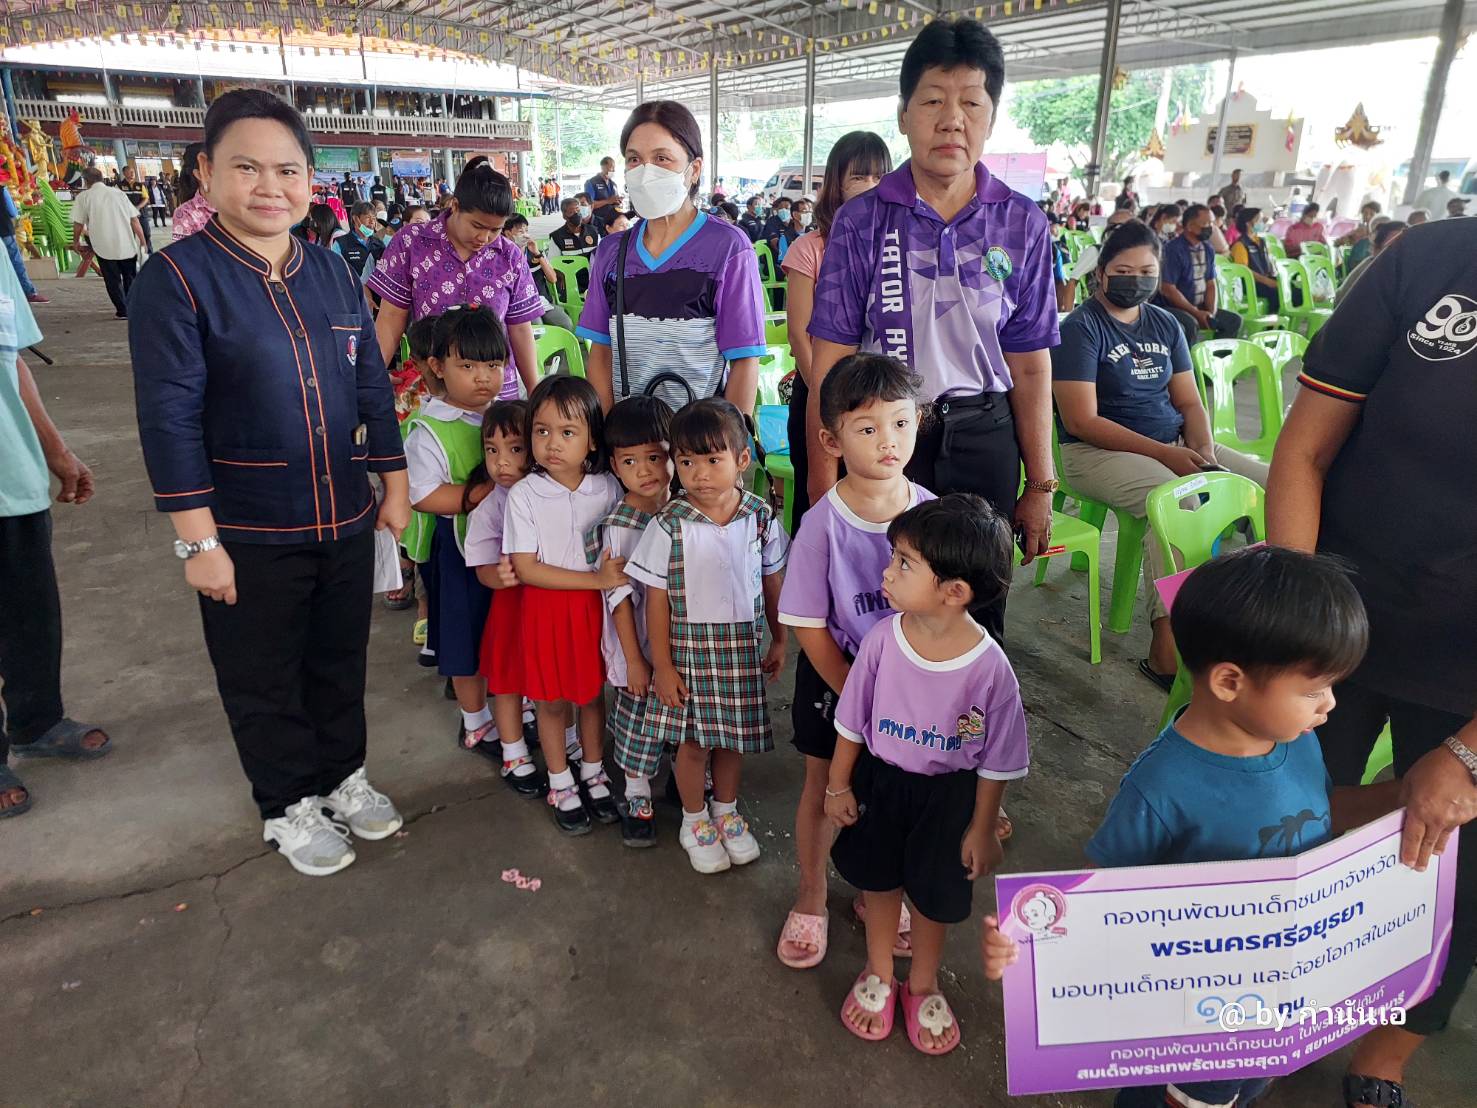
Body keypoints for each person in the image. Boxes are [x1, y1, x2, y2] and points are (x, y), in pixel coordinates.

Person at [983, 546, 1403, 1107]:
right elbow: (1097, 898)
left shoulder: (1297, 741)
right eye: (1313, 689)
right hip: (1196, 1014)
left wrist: (1400, 798)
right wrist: (1025, 946)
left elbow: (1320, 813)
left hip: (1277, 993)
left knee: (1246, 1087)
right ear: (1229, 681)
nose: (1329, 705)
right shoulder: (1162, 789)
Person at [130, 89, 410, 877]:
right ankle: (286, 801)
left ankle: (341, 775)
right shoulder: (177, 280)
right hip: (247, 528)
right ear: (204, 173)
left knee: (338, 656)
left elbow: (370, 388)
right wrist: (199, 541)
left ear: (310, 181)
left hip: (344, 511)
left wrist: (390, 478)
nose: (269, 187)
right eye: (245, 167)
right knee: (262, 671)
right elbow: (169, 419)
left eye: (288, 170)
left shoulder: (329, 270)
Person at [1266, 217, 1477, 1108]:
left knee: (1450, 861)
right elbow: (1303, 452)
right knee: (1275, 820)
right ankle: (1249, 1009)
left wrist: (1467, 752)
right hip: (1338, 608)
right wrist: (1296, 634)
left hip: (1469, 666)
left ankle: (1380, 1060)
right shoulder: (1429, 262)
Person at [807, 18, 1060, 642]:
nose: (953, 120)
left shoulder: (1021, 223)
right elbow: (833, 356)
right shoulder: (864, 221)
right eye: (933, 101)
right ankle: (884, 732)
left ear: (991, 116)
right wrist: (824, 482)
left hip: (986, 439)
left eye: (972, 103)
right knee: (883, 600)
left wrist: (1042, 482)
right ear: (903, 114)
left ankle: (969, 736)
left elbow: (1030, 364)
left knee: (977, 609)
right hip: (888, 440)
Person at [828, 493, 1024, 1054]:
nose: (886, 573)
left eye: (903, 564)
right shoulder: (880, 642)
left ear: (954, 592)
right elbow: (852, 722)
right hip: (882, 783)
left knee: (935, 899)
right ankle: (878, 971)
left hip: (950, 799)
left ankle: (922, 983)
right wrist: (839, 784)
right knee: (880, 881)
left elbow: (997, 760)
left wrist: (982, 827)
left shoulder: (990, 669)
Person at [1055, 219, 1268, 686]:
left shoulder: (1166, 323)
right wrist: (1167, 456)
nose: (1137, 280)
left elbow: (1189, 401)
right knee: (1179, 502)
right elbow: (1081, 421)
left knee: (1267, 482)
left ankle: (1259, 621)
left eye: (1147, 270)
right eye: (1124, 269)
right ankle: (1167, 649)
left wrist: (1203, 448)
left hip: (1170, 445)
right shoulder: (1082, 328)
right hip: (1093, 454)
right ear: (1101, 274)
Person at [774, 353, 935, 970]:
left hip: (911, 683)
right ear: (830, 438)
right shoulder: (822, 525)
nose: (887, 441)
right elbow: (810, 626)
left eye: (900, 423)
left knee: (894, 790)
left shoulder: (931, 512)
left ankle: (880, 895)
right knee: (826, 785)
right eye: (867, 428)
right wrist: (857, 694)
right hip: (836, 677)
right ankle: (811, 896)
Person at [626, 398, 788, 873]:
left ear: (741, 460)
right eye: (686, 461)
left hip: (740, 652)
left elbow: (773, 580)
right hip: (688, 656)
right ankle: (694, 820)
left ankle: (728, 812)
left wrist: (779, 639)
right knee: (694, 743)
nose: (697, 473)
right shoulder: (669, 523)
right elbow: (655, 597)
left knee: (733, 740)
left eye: (712, 460)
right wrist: (662, 665)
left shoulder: (759, 517)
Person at [0, 252, 108, 818]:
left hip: (10, 471)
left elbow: (11, 357)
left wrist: (55, 450)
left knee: (31, 611)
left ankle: (37, 721)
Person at [577, 100, 765, 415]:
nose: (645, 171)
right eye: (634, 159)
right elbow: (600, 353)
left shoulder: (728, 249)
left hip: (698, 447)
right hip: (631, 448)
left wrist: (725, 450)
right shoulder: (611, 252)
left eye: (662, 158)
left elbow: (744, 360)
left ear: (694, 169)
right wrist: (608, 439)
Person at [504, 375, 626, 835]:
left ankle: (594, 771)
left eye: (567, 432)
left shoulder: (608, 488)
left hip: (598, 612)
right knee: (552, 701)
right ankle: (560, 780)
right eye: (541, 430)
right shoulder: (525, 495)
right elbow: (527, 567)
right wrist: (594, 579)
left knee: (593, 696)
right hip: (547, 612)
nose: (552, 443)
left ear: (592, 438)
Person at [404, 307, 507, 761]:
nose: (482, 377)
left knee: (500, 633)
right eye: (467, 366)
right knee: (465, 641)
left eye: (493, 364)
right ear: (437, 367)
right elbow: (424, 495)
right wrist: (487, 489)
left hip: (505, 550)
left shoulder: (502, 418)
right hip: (458, 552)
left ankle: (509, 709)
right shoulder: (429, 429)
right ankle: (475, 723)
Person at [781, 130, 891, 526]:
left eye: (881, 177)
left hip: (878, 407)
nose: (871, 187)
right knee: (818, 506)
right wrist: (830, 403)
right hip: (819, 398)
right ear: (837, 184)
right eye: (859, 177)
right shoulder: (810, 248)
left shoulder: (895, 247)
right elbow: (799, 336)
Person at [368, 156, 541, 400]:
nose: (484, 238)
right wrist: (371, 379)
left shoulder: (510, 256)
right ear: (456, 206)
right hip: (433, 390)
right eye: (477, 225)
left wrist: (535, 394)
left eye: (495, 230)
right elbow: (390, 319)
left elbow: (520, 329)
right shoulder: (412, 242)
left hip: (496, 395)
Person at [584, 396, 674, 847]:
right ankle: (637, 793)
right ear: (615, 467)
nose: (644, 470)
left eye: (655, 456)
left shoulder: (681, 512)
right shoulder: (620, 525)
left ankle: (685, 776)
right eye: (630, 460)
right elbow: (620, 599)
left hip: (678, 647)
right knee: (638, 720)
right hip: (635, 644)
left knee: (678, 712)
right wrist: (636, 661)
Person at [463, 398, 544, 794]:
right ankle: (513, 753)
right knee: (509, 681)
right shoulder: (490, 505)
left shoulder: (546, 491)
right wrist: (498, 575)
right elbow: (479, 563)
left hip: (547, 603)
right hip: (512, 606)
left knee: (550, 678)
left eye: (514, 449)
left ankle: (566, 743)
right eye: (492, 451)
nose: (502, 463)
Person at [1156, 203, 1241, 344]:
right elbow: (1168, 289)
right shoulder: (1173, 250)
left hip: (1199, 306)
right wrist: (1196, 313)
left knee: (1233, 321)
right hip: (1172, 307)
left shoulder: (1208, 248)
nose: (1210, 227)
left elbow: (1211, 283)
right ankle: (1187, 364)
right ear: (1189, 226)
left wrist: (1211, 312)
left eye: (1212, 223)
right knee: (1190, 324)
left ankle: (1218, 361)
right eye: (1206, 223)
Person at [70, 167, 146, 319]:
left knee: (112, 279)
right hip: (126, 242)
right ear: (102, 178)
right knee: (130, 276)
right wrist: (142, 241)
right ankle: (133, 307)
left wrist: (76, 241)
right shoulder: (118, 193)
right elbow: (134, 219)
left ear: (85, 181)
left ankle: (122, 310)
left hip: (102, 244)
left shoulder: (84, 197)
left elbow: (78, 223)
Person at [503, 213, 572, 330]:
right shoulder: (504, 256)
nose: (525, 235)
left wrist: (538, 254)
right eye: (520, 232)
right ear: (508, 233)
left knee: (565, 323)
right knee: (537, 326)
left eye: (526, 230)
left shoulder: (535, 253)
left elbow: (552, 278)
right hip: (521, 304)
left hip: (542, 301)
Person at [1336, 219, 1404, 304]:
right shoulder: (1369, 267)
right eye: (1391, 247)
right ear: (1376, 250)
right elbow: (1341, 299)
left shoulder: (1407, 273)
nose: (1398, 253)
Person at [1227, 206, 1280, 312]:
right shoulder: (1240, 245)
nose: (1262, 223)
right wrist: (1268, 282)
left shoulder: (1261, 242)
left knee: (1292, 288)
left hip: (1265, 279)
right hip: (1250, 284)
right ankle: (1271, 323)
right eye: (1259, 220)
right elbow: (1244, 271)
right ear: (1248, 223)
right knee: (1276, 292)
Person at [1, 185, 46, 303]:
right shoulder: (2, 189)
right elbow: (12, 212)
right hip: (4, 230)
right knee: (16, 262)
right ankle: (29, 293)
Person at [548, 196, 600, 295]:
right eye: (572, 212)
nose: (576, 214)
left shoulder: (593, 231)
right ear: (564, 216)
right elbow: (552, 263)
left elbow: (601, 255)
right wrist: (560, 275)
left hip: (593, 280)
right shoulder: (557, 237)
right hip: (570, 281)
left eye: (578, 210)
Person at [335, 201, 384, 286]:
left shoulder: (379, 244)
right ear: (355, 219)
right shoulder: (340, 243)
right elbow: (336, 273)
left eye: (374, 218)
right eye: (368, 217)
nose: (372, 221)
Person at [584, 156, 621, 233]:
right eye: (611, 167)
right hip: (597, 222)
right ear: (603, 167)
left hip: (612, 222)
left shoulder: (613, 184)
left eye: (614, 168)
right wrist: (608, 201)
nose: (614, 170)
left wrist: (618, 201)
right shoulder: (591, 183)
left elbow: (614, 201)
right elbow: (589, 205)